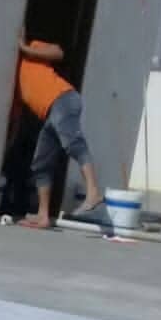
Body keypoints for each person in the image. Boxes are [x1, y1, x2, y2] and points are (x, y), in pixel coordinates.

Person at [16, 30, 102, 229]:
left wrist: (25, 48)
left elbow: (58, 52)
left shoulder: (33, 49)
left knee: (73, 143)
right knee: (41, 163)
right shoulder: (17, 76)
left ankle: (93, 192)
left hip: (62, 99)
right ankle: (43, 216)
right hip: (50, 113)